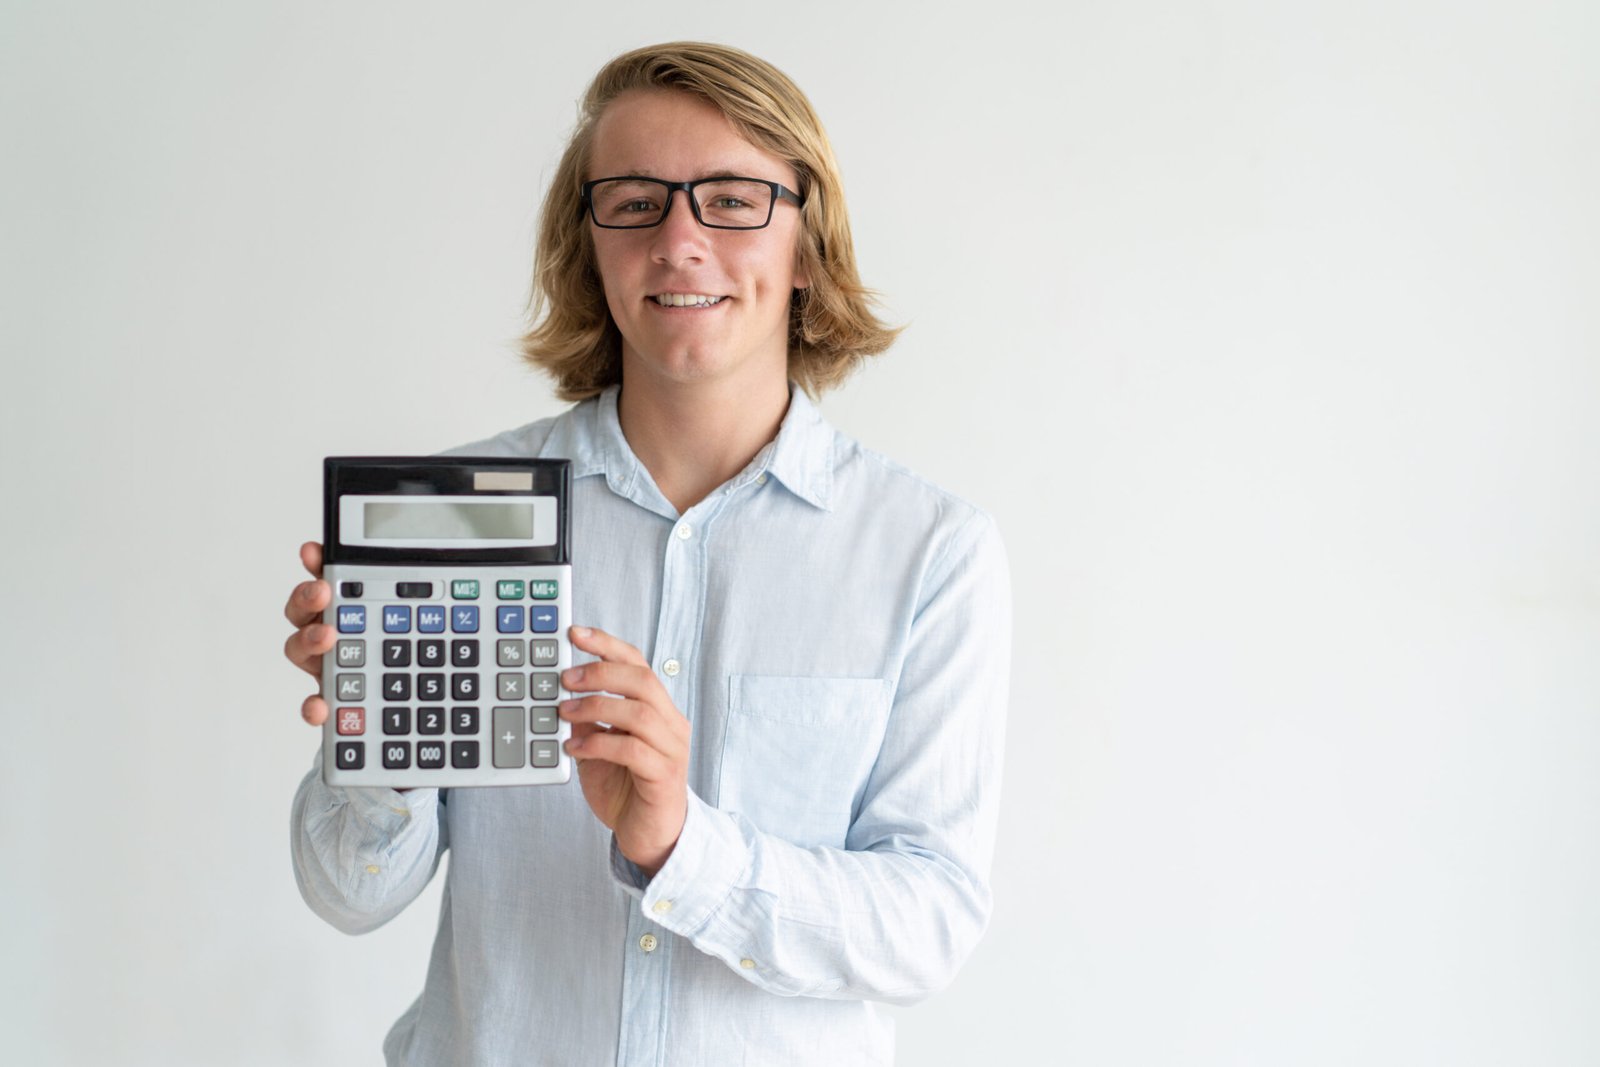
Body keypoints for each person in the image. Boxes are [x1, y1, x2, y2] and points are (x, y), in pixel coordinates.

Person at [284, 41, 1011, 1066]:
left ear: (808, 245)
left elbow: (928, 921)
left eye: (731, 199)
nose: (678, 238)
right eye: (634, 201)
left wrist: (684, 846)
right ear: (587, 244)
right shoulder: (455, 522)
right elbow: (347, 892)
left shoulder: (927, 549)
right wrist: (379, 746)